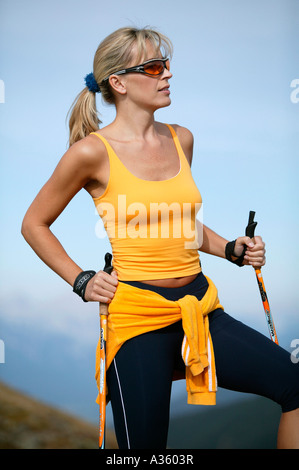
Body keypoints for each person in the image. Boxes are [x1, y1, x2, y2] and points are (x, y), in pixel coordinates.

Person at [21, 26, 299, 450]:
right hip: (136, 320)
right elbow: (34, 224)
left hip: (200, 307)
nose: (167, 74)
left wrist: (230, 249)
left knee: (293, 383)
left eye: (166, 65)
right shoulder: (91, 152)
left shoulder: (180, 138)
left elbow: (181, 223)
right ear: (118, 83)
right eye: (153, 67)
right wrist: (81, 280)